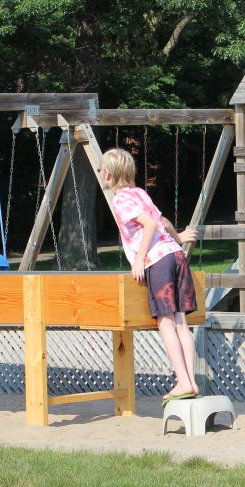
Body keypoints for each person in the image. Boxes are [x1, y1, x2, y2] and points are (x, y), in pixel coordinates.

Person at [99, 148, 200, 404]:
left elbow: (151, 225)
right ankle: (192, 381)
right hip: (175, 256)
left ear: (108, 174)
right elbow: (163, 221)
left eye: (101, 170)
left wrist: (141, 258)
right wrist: (179, 237)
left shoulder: (121, 199)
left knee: (164, 322)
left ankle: (183, 382)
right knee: (180, 322)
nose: (100, 173)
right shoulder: (140, 193)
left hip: (159, 261)